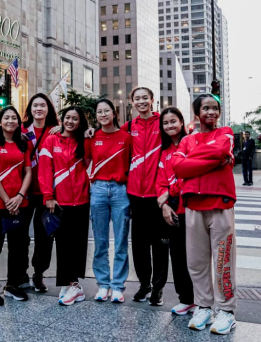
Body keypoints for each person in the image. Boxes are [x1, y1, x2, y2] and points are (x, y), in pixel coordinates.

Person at [171, 94, 237, 335]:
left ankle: (227, 311)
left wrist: (194, 158)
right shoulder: (188, 140)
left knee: (223, 261)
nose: (211, 112)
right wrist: (211, 158)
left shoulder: (226, 133)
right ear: (197, 113)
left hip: (220, 203)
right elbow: (178, 167)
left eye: (215, 108)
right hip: (193, 206)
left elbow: (221, 150)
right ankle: (204, 307)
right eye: (206, 108)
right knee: (197, 262)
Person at [38, 106, 90, 306]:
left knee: (78, 244)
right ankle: (70, 283)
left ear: (80, 122)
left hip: (82, 201)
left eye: (75, 119)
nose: (70, 121)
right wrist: (48, 196)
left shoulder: (84, 141)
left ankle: (74, 284)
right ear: (62, 119)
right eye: (67, 117)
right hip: (60, 202)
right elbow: (44, 169)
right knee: (63, 244)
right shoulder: (51, 141)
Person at [0, 106, 33, 306]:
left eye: (14, 118)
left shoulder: (23, 144)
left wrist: (19, 196)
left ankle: (12, 284)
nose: (10, 121)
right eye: (6, 118)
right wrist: (7, 200)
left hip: (20, 203)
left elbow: (28, 172)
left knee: (17, 246)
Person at [122, 87, 167, 306]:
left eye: (145, 98)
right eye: (137, 98)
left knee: (159, 245)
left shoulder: (163, 124)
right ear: (131, 101)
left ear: (152, 100)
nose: (141, 101)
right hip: (135, 196)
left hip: (159, 195)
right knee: (139, 245)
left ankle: (158, 288)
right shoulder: (129, 127)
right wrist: (89, 132)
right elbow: (108, 137)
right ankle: (144, 285)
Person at [85, 99, 132, 303]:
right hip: (98, 190)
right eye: (99, 112)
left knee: (121, 240)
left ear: (114, 113)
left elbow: (133, 164)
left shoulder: (126, 137)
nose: (103, 115)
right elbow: (84, 163)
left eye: (106, 111)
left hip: (121, 190)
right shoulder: (92, 137)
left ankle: (118, 286)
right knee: (100, 240)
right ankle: (103, 284)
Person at [156, 107, 195, 316]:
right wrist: (164, 205)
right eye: (165, 123)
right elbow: (160, 181)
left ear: (182, 122)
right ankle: (186, 299)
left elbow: (188, 177)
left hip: (193, 209)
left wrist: (168, 194)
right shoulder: (164, 152)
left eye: (173, 121)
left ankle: (203, 301)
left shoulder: (192, 145)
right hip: (173, 211)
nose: (170, 126)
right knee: (178, 257)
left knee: (196, 257)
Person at [20, 93, 60, 292]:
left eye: (42, 105)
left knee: (45, 235)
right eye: (35, 105)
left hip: (47, 192)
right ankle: (20, 274)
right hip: (24, 191)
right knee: (20, 235)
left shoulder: (56, 131)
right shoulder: (21, 130)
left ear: (48, 109)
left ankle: (39, 273)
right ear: (30, 109)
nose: (39, 109)